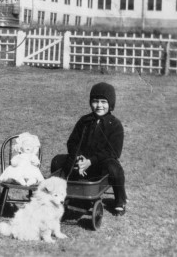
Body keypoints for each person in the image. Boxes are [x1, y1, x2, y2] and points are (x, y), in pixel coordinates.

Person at [50, 82, 127, 216]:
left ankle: (120, 200)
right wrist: (79, 157)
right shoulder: (84, 121)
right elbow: (72, 141)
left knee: (114, 168)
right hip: (82, 161)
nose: (99, 106)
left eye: (103, 102)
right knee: (57, 161)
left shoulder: (115, 125)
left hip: (100, 164)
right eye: (95, 101)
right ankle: (60, 193)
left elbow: (113, 151)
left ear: (111, 104)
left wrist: (90, 161)